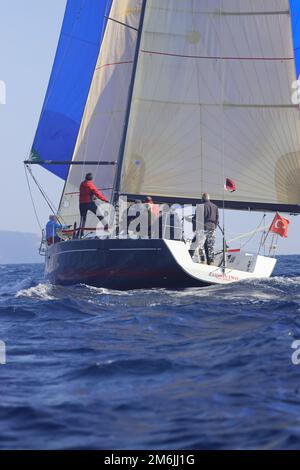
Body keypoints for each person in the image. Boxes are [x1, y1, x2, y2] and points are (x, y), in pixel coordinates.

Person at [192, 193, 219, 265]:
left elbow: (196, 219)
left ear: (202, 198)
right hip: (212, 228)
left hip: (202, 228)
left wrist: (194, 228)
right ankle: (211, 261)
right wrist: (214, 227)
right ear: (209, 198)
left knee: (201, 246)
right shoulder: (215, 207)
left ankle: (202, 260)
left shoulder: (200, 206)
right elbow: (217, 219)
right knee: (210, 246)